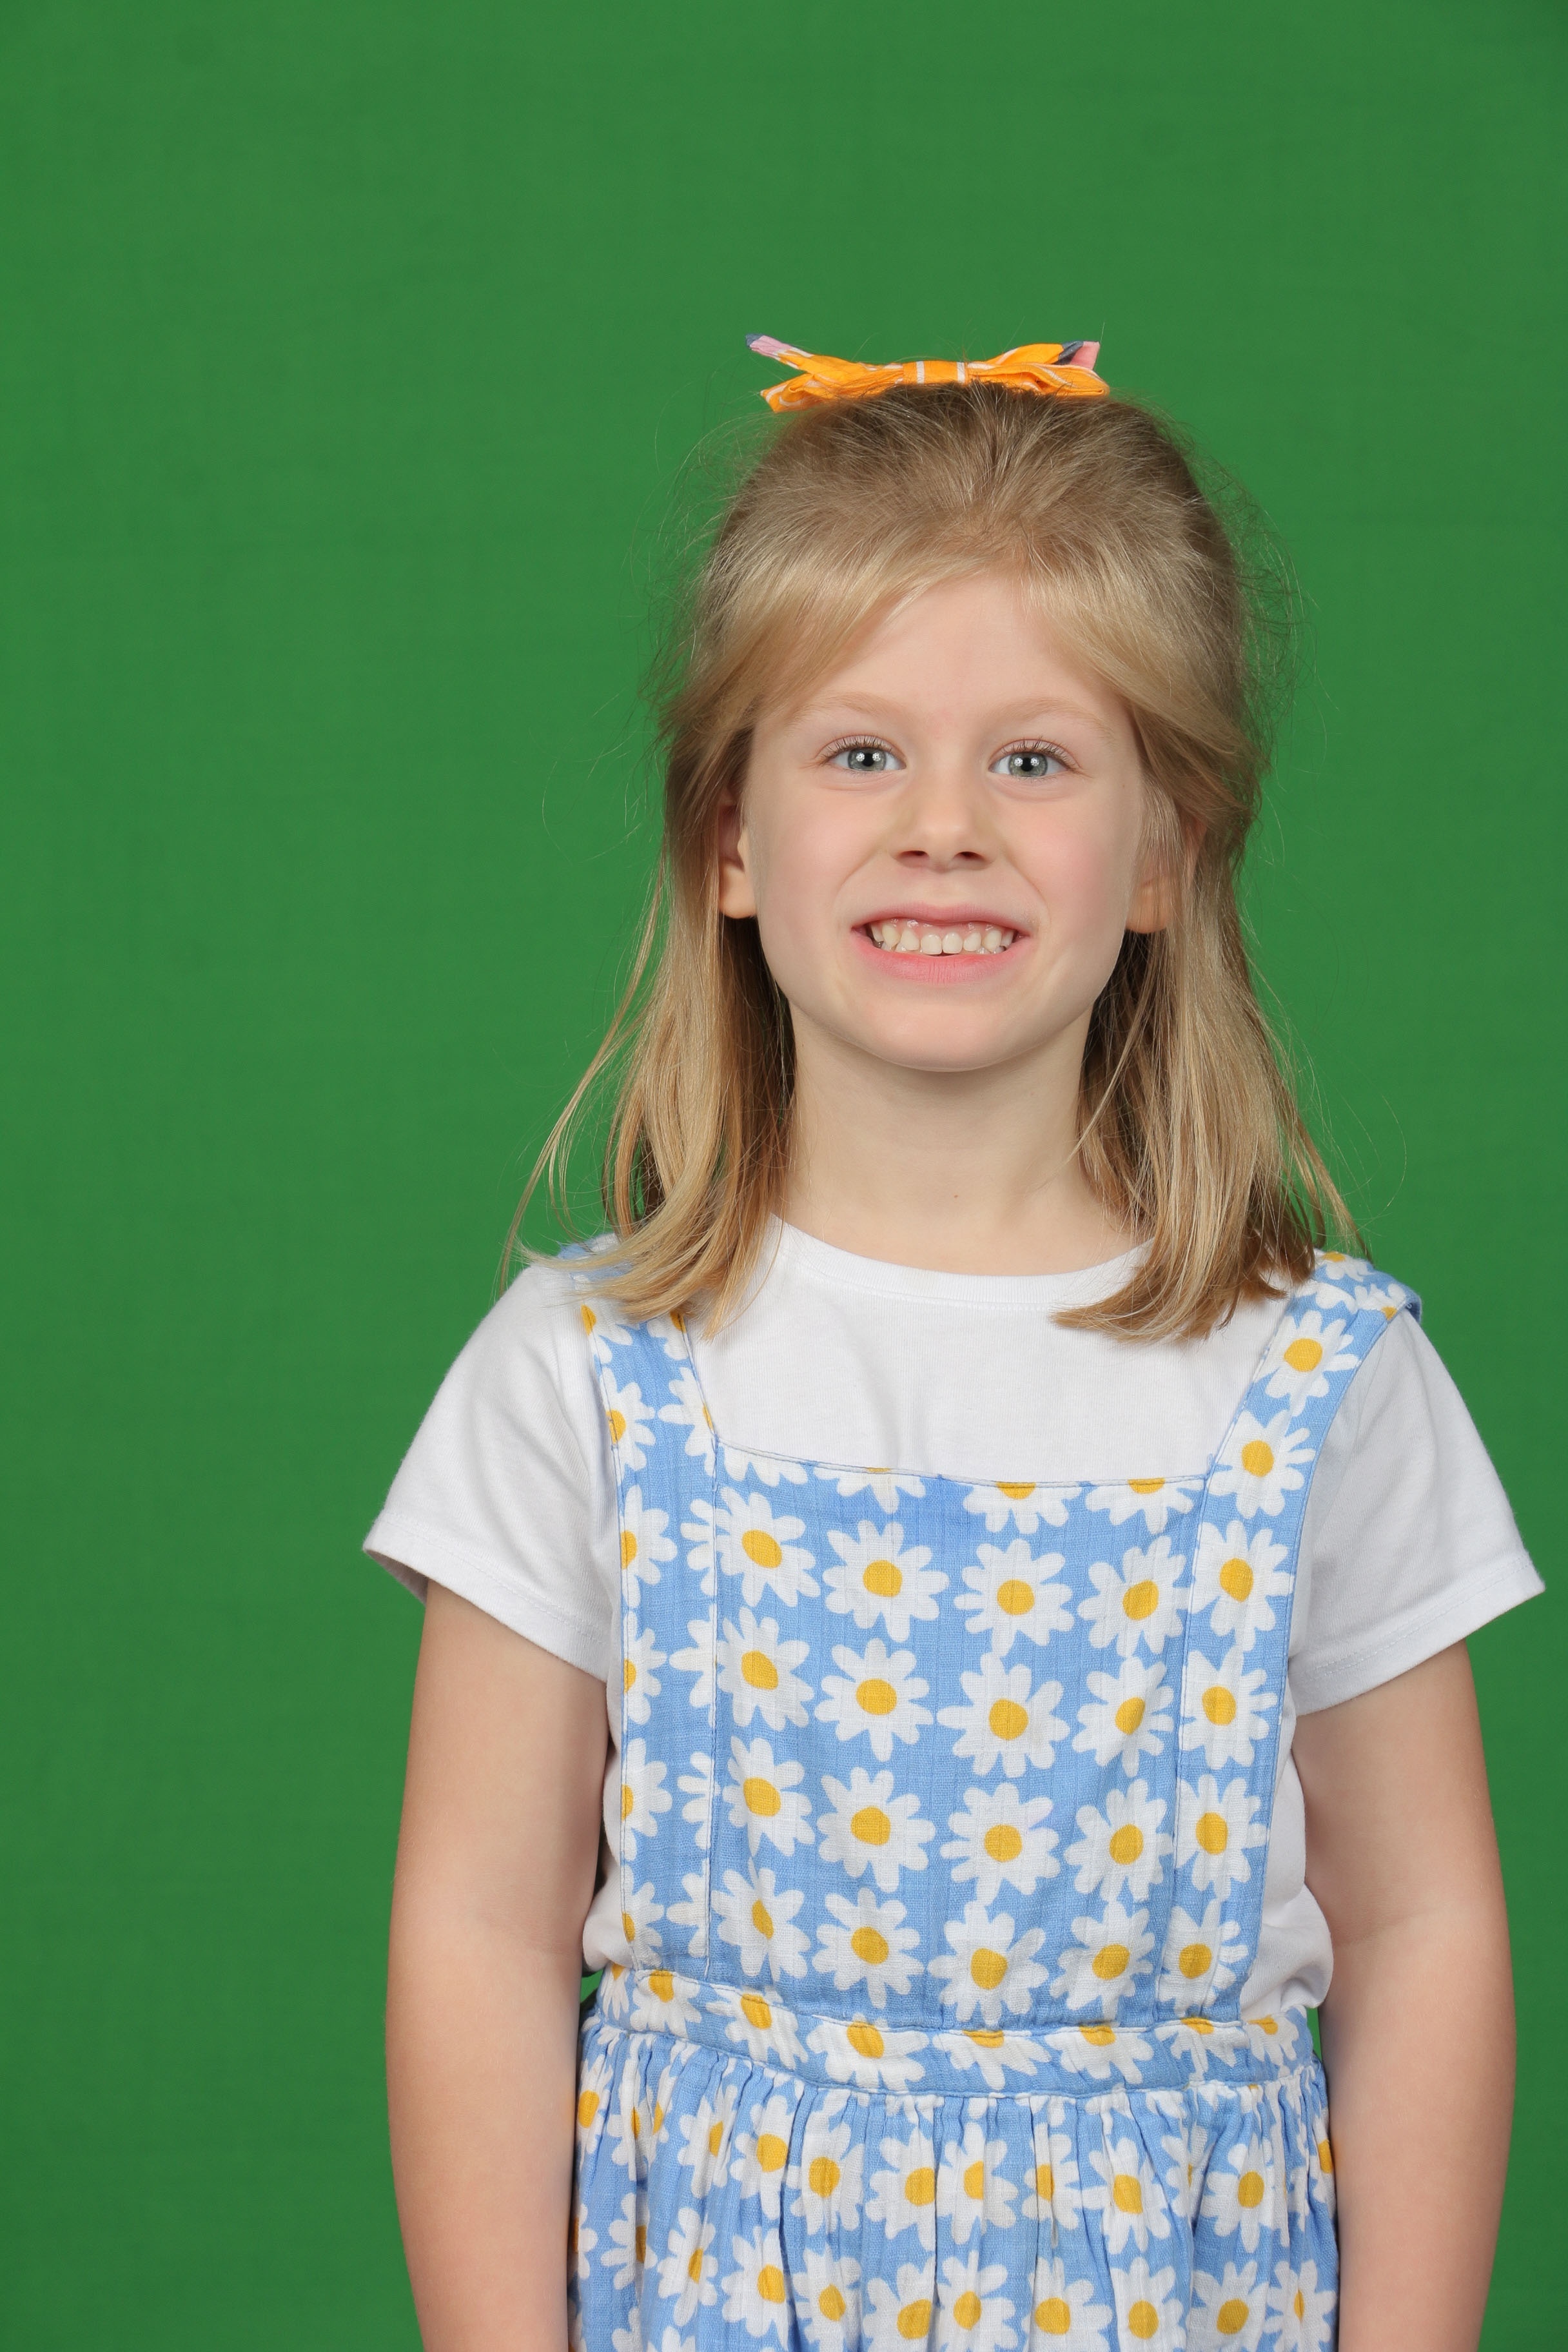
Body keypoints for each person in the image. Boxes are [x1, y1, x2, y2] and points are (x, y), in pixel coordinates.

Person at [367, 337, 1542, 2352]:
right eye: (858, 754)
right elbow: (478, 1931)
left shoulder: (1316, 1384)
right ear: (729, 843)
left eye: (1034, 761)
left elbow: (1427, 1927)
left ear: (1163, 852)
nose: (943, 827)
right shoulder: (591, 1374)